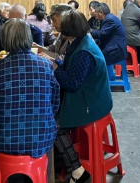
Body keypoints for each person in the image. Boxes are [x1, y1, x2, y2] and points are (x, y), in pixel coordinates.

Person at [0, 19, 60, 183]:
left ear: (4, 40)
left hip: (3, 139)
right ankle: (45, 176)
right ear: (28, 37)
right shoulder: (46, 65)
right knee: (47, 129)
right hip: (40, 137)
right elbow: (54, 102)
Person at [50, 10, 113, 183]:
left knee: (53, 126)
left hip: (91, 103)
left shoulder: (84, 51)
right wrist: (58, 64)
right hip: (91, 96)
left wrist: (56, 69)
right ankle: (63, 159)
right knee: (52, 114)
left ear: (69, 29)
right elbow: (73, 70)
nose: (58, 28)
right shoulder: (79, 42)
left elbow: (72, 83)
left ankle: (77, 170)